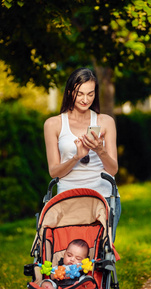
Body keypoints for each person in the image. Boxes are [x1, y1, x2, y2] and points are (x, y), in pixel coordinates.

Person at [44, 67, 121, 241]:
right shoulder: (53, 124)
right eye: (80, 94)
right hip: (68, 200)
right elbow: (54, 172)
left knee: (100, 256)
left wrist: (99, 150)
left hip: (103, 199)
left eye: (90, 94)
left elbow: (113, 169)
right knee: (69, 254)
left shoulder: (105, 122)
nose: (85, 100)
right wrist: (77, 157)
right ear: (70, 92)